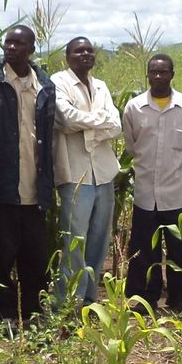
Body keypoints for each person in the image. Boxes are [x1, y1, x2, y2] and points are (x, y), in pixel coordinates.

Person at [0, 24, 56, 324]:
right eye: (8, 42)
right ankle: (2, 314)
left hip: (35, 185)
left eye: (19, 44)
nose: (11, 48)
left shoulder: (44, 84)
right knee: (2, 254)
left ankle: (33, 312)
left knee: (34, 255)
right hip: (1, 186)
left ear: (31, 49)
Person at [121, 53, 182, 313]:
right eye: (153, 72)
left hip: (176, 191)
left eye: (163, 72)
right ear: (148, 75)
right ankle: (144, 299)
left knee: (180, 250)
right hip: (146, 192)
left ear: (172, 74)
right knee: (144, 250)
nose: (158, 77)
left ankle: (179, 298)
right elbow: (132, 146)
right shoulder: (134, 107)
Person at [52, 36, 123, 305]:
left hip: (103, 172)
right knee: (75, 240)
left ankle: (91, 299)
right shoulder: (58, 82)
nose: (85, 54)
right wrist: (99, 122)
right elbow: (66, 119)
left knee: (99, 238)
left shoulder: (101, 86)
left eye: (89, 50)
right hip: (75, 173)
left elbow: (116, 125)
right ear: (67, 56)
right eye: (78, 50)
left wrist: (89, 126)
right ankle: (69, 300)